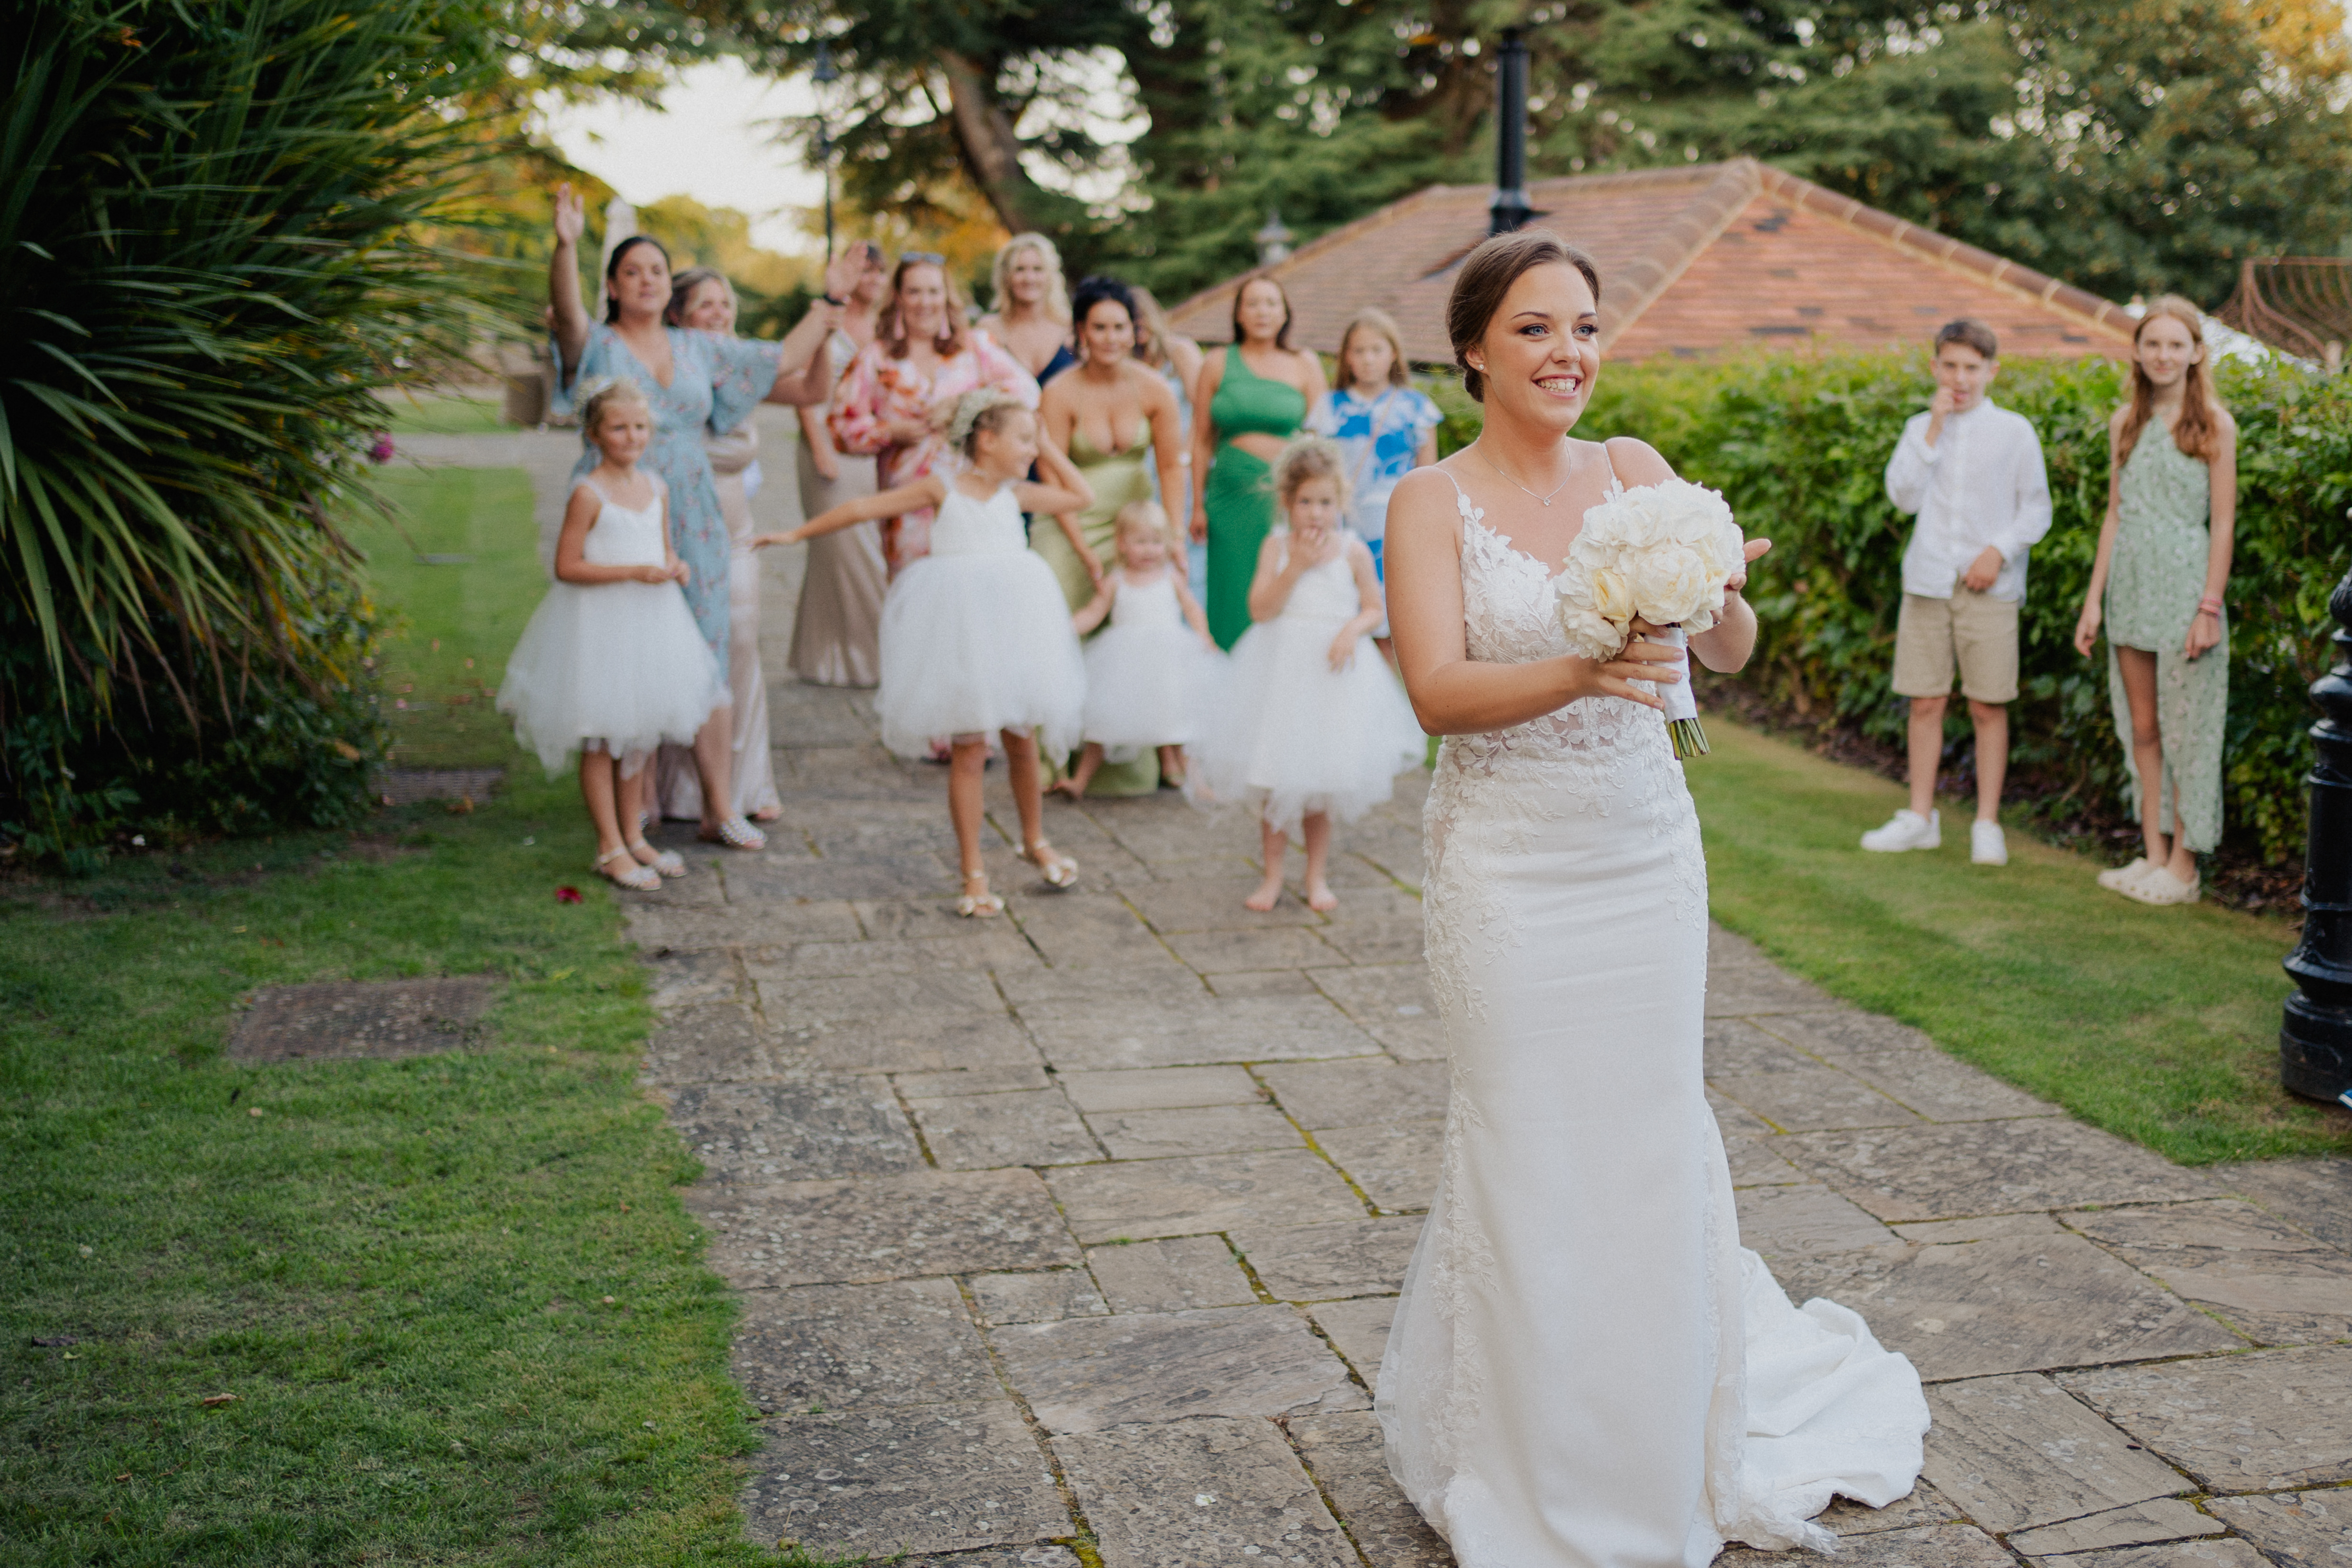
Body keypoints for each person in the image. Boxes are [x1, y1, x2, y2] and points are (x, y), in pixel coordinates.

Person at [1378, 228, 1928, 1565]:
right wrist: (1584, 665)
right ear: (1473, 351)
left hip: (1639, 854)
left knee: (1641, 1134)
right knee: (1524, 1131)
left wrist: (1711, 589)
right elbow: (1438, 694)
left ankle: (1654, 1433)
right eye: (1535, 330)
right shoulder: (1428, 502)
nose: (1569, 353)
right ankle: (1527, 1454)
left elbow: (1726, 646)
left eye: (1583, 327)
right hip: (1508, 862)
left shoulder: (1636, 472)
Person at [547, 184, 859, 850]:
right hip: (618, 511)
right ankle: (633, 816)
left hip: (693, 509)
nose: (646, 281)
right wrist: (565, 245)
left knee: (706, 656)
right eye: (631, 272)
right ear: (613, 284)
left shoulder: (700, 348)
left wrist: (830, 302)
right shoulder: (598, 342)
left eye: (656, 270)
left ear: (668, 283)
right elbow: (568, 317)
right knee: (627, 654)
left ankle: (721, 805)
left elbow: (786, 360)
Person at [758, 392, 1090, 916]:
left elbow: (1081, 496)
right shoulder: (944, 488)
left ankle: (1034, 839)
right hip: (960, 633)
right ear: (987, 439)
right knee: (970, 749)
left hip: (1013, 629)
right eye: (1025, 438)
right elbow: (862, 507)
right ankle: (973, 873)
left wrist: (1048, 447)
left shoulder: (1017, 494)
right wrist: (796, 533)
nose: (1032, 449)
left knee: (1023, 740)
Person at [496, 379, 726, 892]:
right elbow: (567, 566)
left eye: (640, 427)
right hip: (602, 624)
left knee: (637, 736)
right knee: (602, 736)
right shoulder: (588, 492)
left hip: (651, 622)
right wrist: (632, 573)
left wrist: (675, 566)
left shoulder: (657, 487)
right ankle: (609, 846)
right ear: (595, 434)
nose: (632, 437)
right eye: (619, 428)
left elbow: (661, 550)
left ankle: (634, 835)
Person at [1186, 439, 1422, 914]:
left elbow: (1375, 608)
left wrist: (1351, 630)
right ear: (1288, 503)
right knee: (1273, 775)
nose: (1315, 514)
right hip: (1280, 674)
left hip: (1332, 677)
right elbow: (1260, 609)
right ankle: (1272, 876)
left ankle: (1316, 876)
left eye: (1326, 503)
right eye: (1305, 503)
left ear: (1341, 502)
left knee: (1321, 780)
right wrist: (1294, 567)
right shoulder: (1276, 545)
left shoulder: (1352, 550)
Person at [1864, 318, 2052, 867]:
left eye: (1972, 368)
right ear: (1935, 367)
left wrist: (1997, 551)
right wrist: (1933, 430)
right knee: (1924, 701)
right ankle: (1919, 818)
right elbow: (1901, 496)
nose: (1960, 377)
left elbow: (2036, 508)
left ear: (1991, 371)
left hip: (1989, 589)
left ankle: (1987, 823)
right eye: (1951, 366)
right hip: (1926, 582)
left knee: (1988, 705)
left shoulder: (2015, 432)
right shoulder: (1920, 427)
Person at [2073, 297, 2237, 906]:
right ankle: (2154, 853)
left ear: (2195, 352)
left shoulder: (2215, 424)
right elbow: (2114, 516)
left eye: (2176, 345)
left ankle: (2185, 869)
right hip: (2131, 589)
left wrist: (2208, 608)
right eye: (2153, 344)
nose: (2163, 355)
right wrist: (2093, 602)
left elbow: (2222, 525)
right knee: (2141, 728)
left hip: (2185, 587)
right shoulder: (2125, 422)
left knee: (2187, 729)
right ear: (2138, 352)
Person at [654, 267, 782, 823]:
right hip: (680, 529)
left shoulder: (741, 368)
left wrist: (832, 318)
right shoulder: (672, 367)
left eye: (725, 304)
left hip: (735, 532)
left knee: (742, 644)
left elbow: (809, 383)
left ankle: (748, 784)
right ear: (677, 315)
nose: (719, 314)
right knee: (679, 649)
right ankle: (676, 789)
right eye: (705, 305)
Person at [829, 254, 1040, 576]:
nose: (924, 302)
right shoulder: (877, 357)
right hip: (908, 504)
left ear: (946, 296)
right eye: (914, 292)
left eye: (933, 291)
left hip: (969, 499)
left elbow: (1026, 391)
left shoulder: (973, 348)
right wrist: (888, 431)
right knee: (914, 599)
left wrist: (965, 405)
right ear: (899, 297)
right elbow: (841, 427)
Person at [1035, 277, 1189, 608]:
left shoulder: (1155, 388)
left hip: (1134, 530)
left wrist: (1174, 535)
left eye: (1120, 327)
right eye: (1100, 327)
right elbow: (1051, 474)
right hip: (1071, 526)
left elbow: (1170, 467)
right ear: (1082, 331)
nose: (1111, 338)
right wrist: (1083, 550)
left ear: (1134, 331)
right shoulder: (1058, 392)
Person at [1191, 274, 1325, 648]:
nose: (1262, 312)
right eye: (1252, 303)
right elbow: (1201, 440)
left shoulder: (1305, 363)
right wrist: (1197, 505)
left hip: (1283, 499)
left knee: (1282, 584)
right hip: (1228, 498)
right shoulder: (1217, 362)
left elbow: (1321, 438)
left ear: (1285, 314)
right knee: (1232, 588)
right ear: (1238, 314)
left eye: (1271, 303)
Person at [1304, 305, 1442, 657]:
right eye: (1359, 351)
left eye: (1376, 350)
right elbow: (1316, 472)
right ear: (1346, 357)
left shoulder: (1416, 408)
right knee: (1340, 608)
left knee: (1389, 618)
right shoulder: (1328, 408)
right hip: (1343, 523)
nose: (1368, 359)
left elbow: (1430, 477)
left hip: (1396, 525)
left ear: (1393, 353)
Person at [1057, 501, 1220, 799]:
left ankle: (1197, 783)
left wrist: (1204, 636)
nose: (1149, 550)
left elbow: (1192, 609)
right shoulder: (1116, 580)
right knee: (1103, 725)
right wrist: (1066, 628)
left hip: (1168, 661)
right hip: (1123, 664)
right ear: (1122, 543)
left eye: (1157, 542)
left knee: (1179, 722)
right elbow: (1094, 612)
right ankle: (1079, 782)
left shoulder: (1172, 577)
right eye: (1141, 542)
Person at [791, 240, 891, 688]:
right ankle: (873, 661)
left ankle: (824, 658)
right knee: (849, 551)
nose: (871, 280)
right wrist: (821, 450)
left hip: (873, 449)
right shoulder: (829, 320)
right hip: (828, 449)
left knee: (841, 558)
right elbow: (805, 392)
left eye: (878, 272)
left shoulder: (890, 325)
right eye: (863, 272)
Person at [1132, 283, 1207, 579]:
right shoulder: (1126, 366)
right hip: (1146, 467)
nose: (1139, 327)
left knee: (1190, 545)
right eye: (1131, 320)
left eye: (1143, 318)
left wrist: (1187, 456)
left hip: (1185, 463)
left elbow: (1203, 410)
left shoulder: (1180, 353)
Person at [977, 233, 1076, 385]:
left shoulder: (1070, 326)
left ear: (1051, 276)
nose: (1029, 279)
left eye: (1038, 269)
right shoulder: (988, 329)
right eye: (1020, 270)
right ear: (1006, 276)